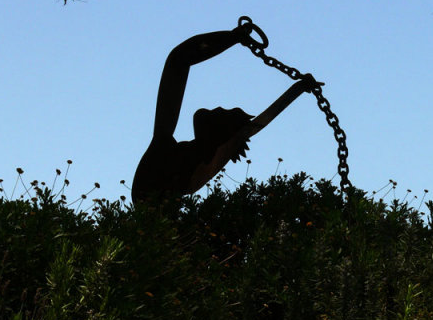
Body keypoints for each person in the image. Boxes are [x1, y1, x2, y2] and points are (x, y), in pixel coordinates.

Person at [131, 19, 318, 203]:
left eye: (219, 112)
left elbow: (178, 60)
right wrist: (233, 37)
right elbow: (179, 60)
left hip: (155, 196)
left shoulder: (172, 157)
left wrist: (234, 37)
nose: (212, 109)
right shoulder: (180, 155)